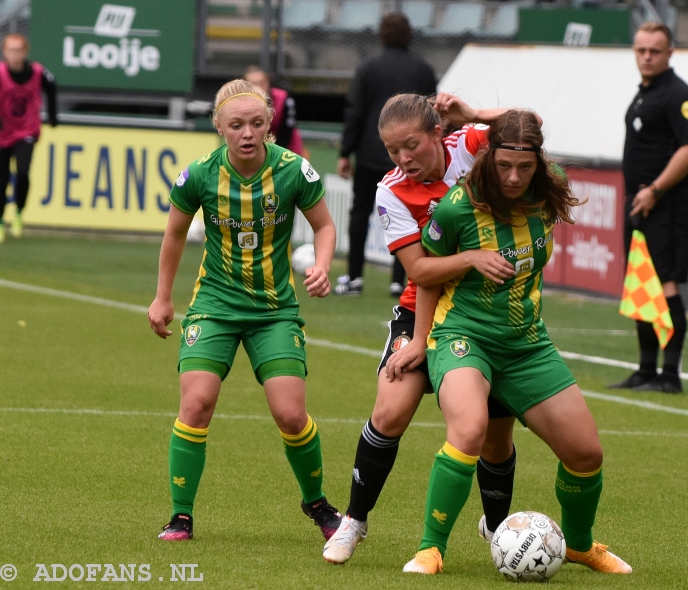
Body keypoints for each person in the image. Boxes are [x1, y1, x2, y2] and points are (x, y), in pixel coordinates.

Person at [399, 109, 632, 576]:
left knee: (586, 453)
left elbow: (533, 124)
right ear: (489, 156)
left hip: (527, 344)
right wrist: (420, 339)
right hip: (464, 336)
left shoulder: (549, 185)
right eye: (504, 165)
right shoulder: (458, 207)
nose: (513, 176)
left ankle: (581, 546)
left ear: (538, 162)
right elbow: (424, 276)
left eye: (524, 167)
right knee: (468, 432)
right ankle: (430, 549)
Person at [322, 93, 520, 565]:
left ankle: (498, 530)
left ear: (437, 133)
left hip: (485, 310)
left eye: (411, 145)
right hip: (419, 309)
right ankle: (353, 521)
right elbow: (421, 271)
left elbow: (524, 128)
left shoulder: (471, 145)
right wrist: (422, 336)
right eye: (392, 150)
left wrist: (472, 114)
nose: (402, 158)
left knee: (495, 432)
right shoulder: (390, 189)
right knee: (390, 411)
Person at [147, 79, 342, 542]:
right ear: (219, 127)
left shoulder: (295, 170)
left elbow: (325, 226)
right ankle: (181, 517)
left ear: (269, 124)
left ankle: (317, 504)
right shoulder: (198, 174)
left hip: (274, 311)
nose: (247, 133)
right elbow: (174, 234)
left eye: (256, 123)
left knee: (291, 415)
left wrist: (322, 265)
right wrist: (163, 297)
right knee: (196, 403)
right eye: (236, 125)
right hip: (214, 305)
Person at [609, 22, 688, 394]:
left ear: (669, 54)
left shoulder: (679, 95)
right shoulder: (645, 93)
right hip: (640, 204)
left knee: (665, 285)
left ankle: (670, 375)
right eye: (641, 50)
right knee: (640, 285)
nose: (646, 57)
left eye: (654, 51)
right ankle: (646, 371)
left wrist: (657, 190)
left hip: (667, 205)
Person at [335, 12, 437, 297]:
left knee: (360, 213)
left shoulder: (368, 67)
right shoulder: (424, 69)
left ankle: (354, 277)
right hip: (413, 160)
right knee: (415, 215)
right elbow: (433, 114)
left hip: (371, 153)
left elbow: (354, 111)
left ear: (381, 34)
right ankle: (400, 280)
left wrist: (346, 152)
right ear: (409, 35)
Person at [0, 33, 57, 243]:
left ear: (25, 52)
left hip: (26, 130)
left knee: (22, 172)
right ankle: (0, 221)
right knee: (2, 179)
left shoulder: (38, 72)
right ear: (4, 51)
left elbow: (51, 87)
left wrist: (52, 116)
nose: (15, 55)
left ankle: (18, 212)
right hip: (2, 133)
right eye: (10, 50)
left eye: (19, 50)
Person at [243, 65, 309, 159]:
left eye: (262, 82)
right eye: (254, 83)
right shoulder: (240, 104)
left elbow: (287, 132)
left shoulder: (284, 98)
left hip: (287, 150)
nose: (259, 87)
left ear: (268, 82)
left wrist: (274, 156)